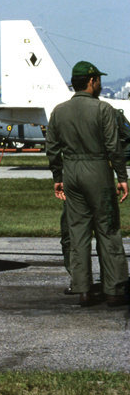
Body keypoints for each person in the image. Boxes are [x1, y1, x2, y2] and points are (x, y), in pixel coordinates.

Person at [46, 61, 129, 307]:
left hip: (72, 172)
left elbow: (52, 148)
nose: (100, 84)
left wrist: (57, 177)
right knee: (108, 229)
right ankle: (113, 290)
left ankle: (83, 289)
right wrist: (122, 178)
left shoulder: (59, 111)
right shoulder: (103, 109)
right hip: (97, 170)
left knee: (78, 232)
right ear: (92, 81)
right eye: (98, 80)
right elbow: (114, 148)